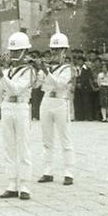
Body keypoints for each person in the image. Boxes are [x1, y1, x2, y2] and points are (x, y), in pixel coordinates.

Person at [0, 32, 35, 201]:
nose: (13, 54)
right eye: (12, 51)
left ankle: (25, 185)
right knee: (9, 146)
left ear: (24, 52)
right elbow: (1, 90)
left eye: (16, 51)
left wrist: (1, 75)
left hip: (21, 106)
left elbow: (15, 89)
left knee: (23, 145)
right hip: (7, 106)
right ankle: (12, 183)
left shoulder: (28, 71)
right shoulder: (9, 70)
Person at [36, 31, 75, 186]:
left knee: (65, 138)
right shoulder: (47, 67)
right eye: (53, 49)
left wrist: (46, 72)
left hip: (60, 101)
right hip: (47, 100)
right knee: (47, 139)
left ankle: (68, 172)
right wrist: (36, 69)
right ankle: (48, 171)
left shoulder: (68, 68)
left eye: (58, 50)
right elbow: (38, 85)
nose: (54, 53)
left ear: (65, 51)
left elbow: (60, 84)